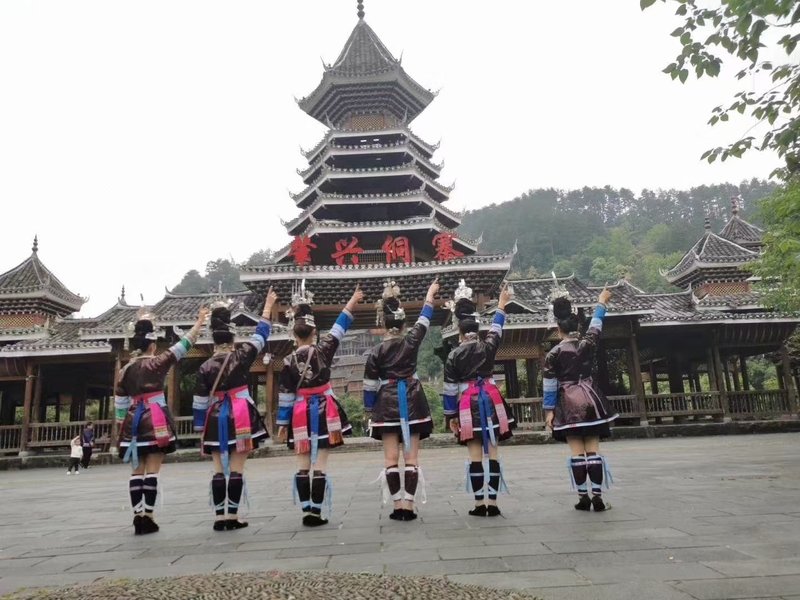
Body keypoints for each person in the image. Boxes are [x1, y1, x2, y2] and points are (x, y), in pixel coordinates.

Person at [115, 306, 208, 535]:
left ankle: (137, 515)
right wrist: (199, 322)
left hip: (132, 422)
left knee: (136, 471)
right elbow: (184, 345)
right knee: (153, 470)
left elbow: (119, 404)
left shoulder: (125, 370)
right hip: (155, 421)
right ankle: (149, 515)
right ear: (153, 345)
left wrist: (122, 428)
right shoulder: (159, 362)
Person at [278, 282, 363, 527]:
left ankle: (306, 510)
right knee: (321, 463)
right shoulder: (323, 350)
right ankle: (316, 510)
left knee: (302, 462)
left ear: (293, 334)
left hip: (300, 411)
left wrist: (283, 423)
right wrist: (353, 299)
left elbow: (285, 395)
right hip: (326, 409)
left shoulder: (287, 361)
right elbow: (341, 325)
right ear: (314, 334)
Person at [193, 288, 277, 531]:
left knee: (219, 468)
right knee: (238, 468)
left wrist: (201, 428)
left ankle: (220, 518)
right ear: (231, 337)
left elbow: (199, 402)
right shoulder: (242, 355)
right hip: (240, 414)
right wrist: (268, 306)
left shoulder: (205, 366)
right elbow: (262, 334)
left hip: (215, 415)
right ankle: (233, 515)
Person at [363, 279, 439, 521]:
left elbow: (369, 386)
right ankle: (409, 505)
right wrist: (429, 295)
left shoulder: (375, 352)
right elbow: (425, 320)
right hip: (413, 402)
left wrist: (368, 410)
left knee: (390, 459)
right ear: (403, 323)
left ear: (383, 323)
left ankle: (397, 506)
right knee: (412, 458)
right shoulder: (411, 341)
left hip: (386, 405)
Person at [443, 281, 516, 517]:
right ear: (476, 328)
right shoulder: (488, 346)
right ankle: (493, 504)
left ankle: (478, 503)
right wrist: (502, 304)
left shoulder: (453, 355)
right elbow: (497, 328)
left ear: (460, 331)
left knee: (474, 455)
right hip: (491, 401)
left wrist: (450, 415)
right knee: (493, 452)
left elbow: (450, 389)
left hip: (467, 404)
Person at [543, 286, 617, 512]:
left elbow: (549, 385)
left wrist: (549, 410)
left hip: (567, 403)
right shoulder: (588, 343)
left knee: (576, 451)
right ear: (577, 326)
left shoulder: (553, 353)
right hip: (591, 400)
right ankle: (598, 496)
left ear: (558, 328)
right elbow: (596, 325)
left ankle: (582, 496)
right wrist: (602, 302)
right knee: (593, 448)